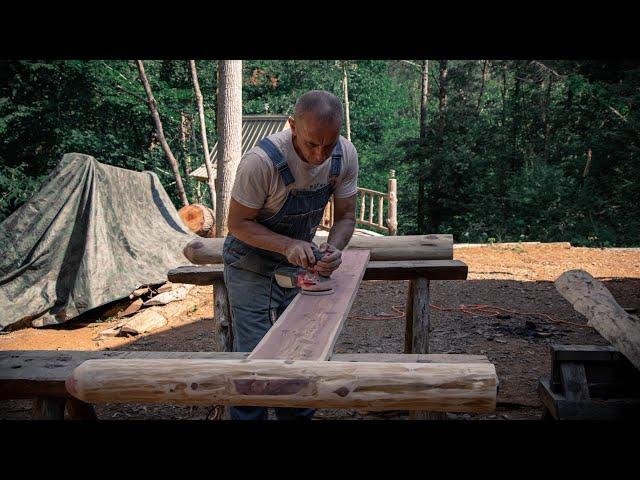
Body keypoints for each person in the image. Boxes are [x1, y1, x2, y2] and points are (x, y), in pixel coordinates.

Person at [223, 90, 359, 420]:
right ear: (292, 126)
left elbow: (346, 218)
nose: (320, 155)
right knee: (254, 360)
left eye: (329, 144)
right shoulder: (262, 163)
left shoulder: (344, 156)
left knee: (301, 351)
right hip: (248, 263)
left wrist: (333, 248)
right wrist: (288, 245)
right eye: (312, 144)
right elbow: (237, 223)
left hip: (299, 262)